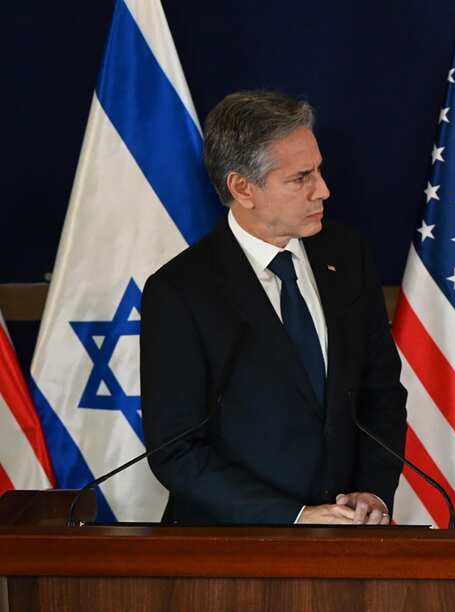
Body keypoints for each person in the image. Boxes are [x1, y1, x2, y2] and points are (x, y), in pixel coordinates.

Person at [141, 90, 407, 525]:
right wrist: (295, 516)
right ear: (243, 188)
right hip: (229, 553)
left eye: (318, 170)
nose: (323, 189)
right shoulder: (180, 292)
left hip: (346, 542)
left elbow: (381, 393)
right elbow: (176, 451)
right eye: (301, 178)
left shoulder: (348, 256)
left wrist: (373, 490)